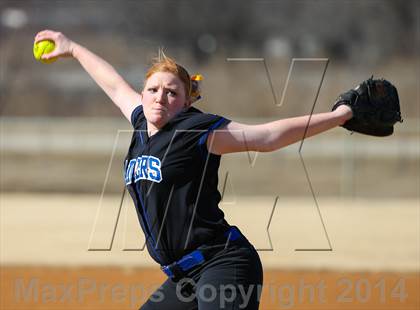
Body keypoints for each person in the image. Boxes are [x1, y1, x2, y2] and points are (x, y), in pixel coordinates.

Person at [34, 30, 353, 310]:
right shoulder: (141, 123)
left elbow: (267, 137)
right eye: (154, 89)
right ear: (142, 94)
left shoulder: (196, 131)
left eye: (172, 92)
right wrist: (72, 48)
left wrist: (339, 115)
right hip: (183, 277)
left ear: (185, 103)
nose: (161, 96)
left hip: (223, 263)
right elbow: (114, 85)